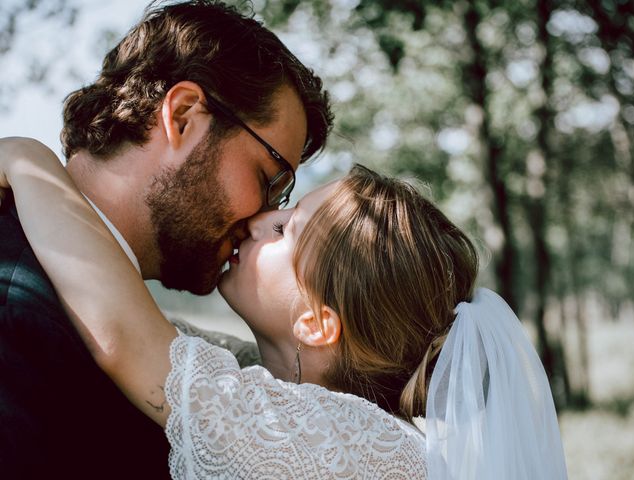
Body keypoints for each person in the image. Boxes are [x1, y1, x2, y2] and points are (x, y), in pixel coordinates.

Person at [0, 138, 568, 479]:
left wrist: (29, 160)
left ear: (316, 322)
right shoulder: (319, 408)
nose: (254, 220)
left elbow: (134, 341)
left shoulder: (356, 446)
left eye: (283, 227)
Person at [0, 0, 332, 477]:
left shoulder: (172, 346)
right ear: (182, 117)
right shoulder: (16, 305)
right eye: (270, 180)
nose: (264, 217)